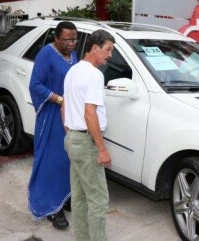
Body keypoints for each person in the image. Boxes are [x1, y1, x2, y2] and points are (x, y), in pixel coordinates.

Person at [63, 29, 115, 241]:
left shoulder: (73, 70)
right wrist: (101, 148)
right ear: (95, 48)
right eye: (108, 49)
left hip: (73, 138)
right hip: (85, 142)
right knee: (98, 200)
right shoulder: (94, 75)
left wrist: (71, 134)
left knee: (80, 197)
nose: (110, 54)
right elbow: (89, 112)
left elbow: (64, 106)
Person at [28, 21, 78, 229]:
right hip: (51, 115)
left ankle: (63, 197)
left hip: (69, 115)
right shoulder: (45, 54)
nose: (71, 43)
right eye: (67, 39)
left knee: (68, 158)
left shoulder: (72, 54)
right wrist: (59, 100)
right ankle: (52, 208)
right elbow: (35, 85)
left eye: (74, 39)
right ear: (55, 38)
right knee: (52, 161)